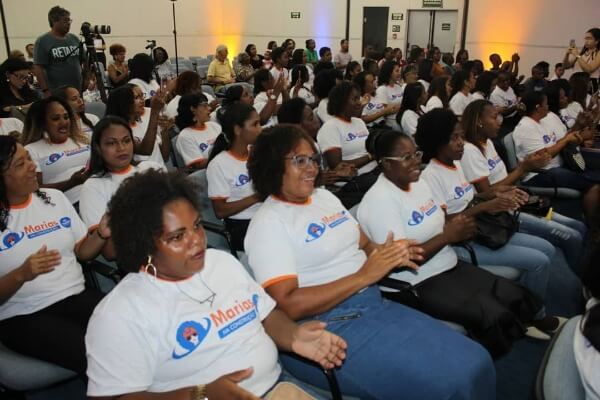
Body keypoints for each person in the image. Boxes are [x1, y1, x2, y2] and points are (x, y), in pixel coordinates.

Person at [244, 124, 496, 398]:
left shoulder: (324, 197)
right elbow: (288, 305)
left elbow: (365, 245)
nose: (312, 168)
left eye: (313, 159)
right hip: (327, 328)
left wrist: (393, 253)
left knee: (477, 360)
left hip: (372, 303)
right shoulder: (268, 223)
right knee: (450, 384)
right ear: (271, 166)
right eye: (299, 160)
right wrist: (364, 276)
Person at [86, 169, 347, 399]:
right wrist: (202, 394)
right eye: (177, 236)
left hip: (278, 387)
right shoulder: (120, 313)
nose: (197, 240)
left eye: (197, 225)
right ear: (144, 245)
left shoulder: (222, 263)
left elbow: (266, 316)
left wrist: (294, 336)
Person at [417, 109, 567, 336]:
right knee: (539, 261)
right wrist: (484, 206)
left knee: (547, 248)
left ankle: (521, 305)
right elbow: (444, 225)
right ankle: (535, 317)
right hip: (463, 244)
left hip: (485, 230)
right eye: (454, 138)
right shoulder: (430, 177)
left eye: (461, 136)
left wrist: (495, 193)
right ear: (437, 143)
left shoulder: (455, 165)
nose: (461, 143)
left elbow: (469, 198)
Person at [0, 135, 108, 376]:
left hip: (75, 296)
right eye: (20, 164)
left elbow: (83, 252)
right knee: (98, 357)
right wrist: (21, 274)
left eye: (29, 158)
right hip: (22, 315)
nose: (33, 167)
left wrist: (101, 233)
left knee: (133, 329)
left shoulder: (55, 199)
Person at [461, 99, 587, 274]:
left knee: (579, 227)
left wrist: (526, 166)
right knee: (572, 237)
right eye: (494, 117)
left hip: (518, 200)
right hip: (502, 213)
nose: (499, 122)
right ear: (479, 122)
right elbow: (487, 193)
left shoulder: (487, 143)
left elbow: (505, 178)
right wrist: (523, 168)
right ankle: (582, 282)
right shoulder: (469, 151)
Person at [79, 116, 165, 259]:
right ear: (98, 148)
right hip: (141, 259)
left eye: (126, 141)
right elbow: (110, 252)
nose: (121, 148)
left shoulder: (152, 168)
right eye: (111, 143)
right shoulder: (93, 186)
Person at [206, 103, 262, 251]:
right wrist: (257, 197)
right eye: (255, 124)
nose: (260, 129)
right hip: (242, 227)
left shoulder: (258, 153)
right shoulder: (219, 164)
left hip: (266, 215)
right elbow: (220, 211)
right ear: (238, 130)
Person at [22, 97, 90, 205]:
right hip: (71, 204)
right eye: (55, 118)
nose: (63, 122)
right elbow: (34, 190)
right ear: (42, 123)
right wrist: (70, 183)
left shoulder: (82, 140)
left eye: (66, 117)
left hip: (104, 192)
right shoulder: (31, 150)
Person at [317, 82, 378, 199]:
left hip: (374, 171)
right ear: (341, 102)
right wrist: (371, 156)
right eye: (354, 99)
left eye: (358, 98)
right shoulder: (331, 127)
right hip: (354, 181)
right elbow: (338, 166)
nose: (359, 102)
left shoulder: (359, 122)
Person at [105, 84, 170, 167]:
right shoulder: (118, 131)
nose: (142, 100)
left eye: (142, 96)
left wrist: (164, 130)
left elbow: (165, 156)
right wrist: (155, 111)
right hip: (144, 174)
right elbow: (146, 150)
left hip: (162, 170)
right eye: (136, 97)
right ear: (123, 103)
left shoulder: (145, 121)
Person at [33, 6, 82, 95]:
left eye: (69, 20)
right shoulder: (43, 41)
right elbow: (38, 68)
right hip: (57, 91)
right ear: (54, 21)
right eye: (65, 20)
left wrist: (86, 79)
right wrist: (45, 90)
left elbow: (84, 60)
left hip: (77, 89)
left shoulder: (74, 39)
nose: (69, 23)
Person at [174, 93, 222, 171]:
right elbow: (198, 165)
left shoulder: (214, 126)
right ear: (193, 109)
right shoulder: (185, 136)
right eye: (205, 105)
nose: (209, 108)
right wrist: (222, 156)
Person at [563, 28, 600, 93]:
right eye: (585, 38)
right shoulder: (582, 53)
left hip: (589, 83)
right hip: (575, 81)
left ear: (597, 41)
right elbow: (565, 66)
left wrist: (577, 55)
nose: (586, 41)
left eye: (589, 38)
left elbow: (589, 69)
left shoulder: (598, 53)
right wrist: (567, 54)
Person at [375, 60, 404, 129]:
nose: (399, 73)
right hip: (391, 124)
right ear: (389, 72)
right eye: (397, 71)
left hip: (402, 119)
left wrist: (396, 107)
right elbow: (385, 110)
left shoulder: (399, 87)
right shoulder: (382, 89)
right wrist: (403, 106)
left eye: (399, 71)